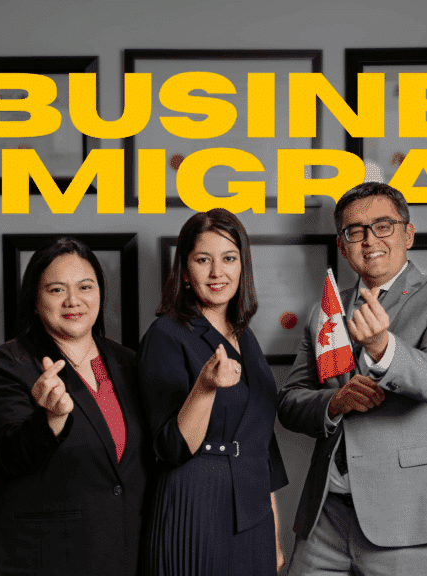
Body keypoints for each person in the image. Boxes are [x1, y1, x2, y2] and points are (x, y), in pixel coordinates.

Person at [278, 182, 427, 576]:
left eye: (383, 225)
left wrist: (382, 346)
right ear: (342, 244)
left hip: (411, 520)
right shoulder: (324, 310)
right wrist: (335, 403)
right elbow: (289, 401)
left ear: (408, 233)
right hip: (325, 518)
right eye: (356, 231)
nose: (370, 240)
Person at [0, 237, 149, 576]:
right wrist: (50, 418)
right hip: (42, 557)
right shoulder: (8, 364)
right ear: (35, 301)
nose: (74, 300)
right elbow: (10, 456)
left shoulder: (127, 362)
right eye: (56, 290)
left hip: (123, 553)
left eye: (85, 287)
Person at [138, 208, 288, 576]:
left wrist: (274, 531)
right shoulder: (166, 335)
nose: (217, 272)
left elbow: (260, 438)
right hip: (195, 501)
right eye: (203, 260)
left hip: (252, 507)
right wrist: (204, 388)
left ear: (242, 265)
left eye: (229, 258)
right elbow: (172, 447)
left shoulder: (245, 336)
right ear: (185, 272)